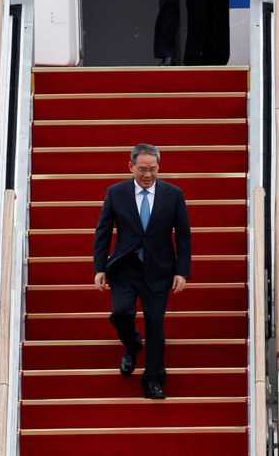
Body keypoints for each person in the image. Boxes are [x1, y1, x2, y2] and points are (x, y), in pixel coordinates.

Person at [93, 144, 191, 399]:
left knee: (155, 324)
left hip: (159, 270)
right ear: (131, 167)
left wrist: (182, 271)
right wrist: (99, 268)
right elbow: (103, 231)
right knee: (121, 312)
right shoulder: (116, 193)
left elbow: (183, 234)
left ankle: (154, 379)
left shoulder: (173, 194)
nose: (148, 175)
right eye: (142, 169)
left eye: (153, 169)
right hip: (125, 268)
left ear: (159, 167)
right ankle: (132, 344)